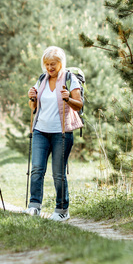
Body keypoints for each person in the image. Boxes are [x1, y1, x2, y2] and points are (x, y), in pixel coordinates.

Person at [26, 45, 83, 220]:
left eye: (53, 64)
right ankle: (34, 206)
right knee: (36, 169)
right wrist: (32, 98)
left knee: (58, 174)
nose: (50, 68)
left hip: (61, 133)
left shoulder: (69, 78)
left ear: (61, 63)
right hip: (40, 131)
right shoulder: (42, 78)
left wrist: (68, 98)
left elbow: (79, 104)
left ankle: (62, 210)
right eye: (47, 64)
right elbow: (33, 107)